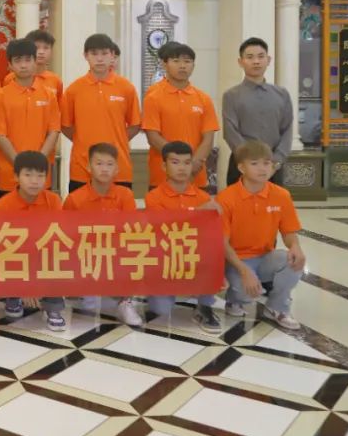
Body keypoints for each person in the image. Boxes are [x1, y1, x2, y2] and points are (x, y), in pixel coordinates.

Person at [219, 140, 305, 330]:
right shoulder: (226, 198)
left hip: (266, 256)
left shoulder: (281, 195)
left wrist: (295, 246)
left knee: (292, 260)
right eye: (255, 163)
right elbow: (222, 243)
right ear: (241, 168)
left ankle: (277, 307)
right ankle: (234, 300)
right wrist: (244, 271)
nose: (262, 168)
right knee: (244, 294)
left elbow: (289, 231)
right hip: (235, 260)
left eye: (267, 163)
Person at [144, 141, 222, 333]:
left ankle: (204, 306)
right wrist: (198, 213)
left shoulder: (203, 197)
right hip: (165, 259)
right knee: (161, 311)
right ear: (164, 166)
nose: (182, 168)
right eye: (175, 162)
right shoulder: (153, 197)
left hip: (192, 255)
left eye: (187, 163)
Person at [63, 142, 142, 326]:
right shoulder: (75, 199)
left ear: (117, 169)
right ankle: (82, 291)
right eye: (99, 163)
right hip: (86, 253)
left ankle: (124, 301)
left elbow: (131, 230)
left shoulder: (125, 195)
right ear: (88, 167)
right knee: (89, 309)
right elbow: (66, 236)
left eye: (109, 164)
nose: (104, 169)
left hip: (115, 251)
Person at [0, 151, 66, 331]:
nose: (34, 181)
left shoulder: (53, 201)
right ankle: (13, 296)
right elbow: (0, 249)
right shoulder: (2, 206)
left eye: (40, 176)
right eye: (28, 175)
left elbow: (56, 241)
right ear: (16, 177)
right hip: (14, 258)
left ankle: (53, 306)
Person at [61, 33, 141, 193]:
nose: (99, 59)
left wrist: (116, 140)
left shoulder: (126, 88)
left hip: (118, 167)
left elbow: (135, 124)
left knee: (120, 209)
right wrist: (83, 140)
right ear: (86, 56)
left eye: (104, 53)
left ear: (112, 55)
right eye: (94, 54)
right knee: (81, 209)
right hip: (82, 168)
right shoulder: (74, 90)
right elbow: (65, 126)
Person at [0, 38, 60, 197]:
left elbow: (54, 131)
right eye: (18, 60)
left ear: (35, 62)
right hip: (9, 174)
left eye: (28, 60)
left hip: (40, 174)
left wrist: (38, 163)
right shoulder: (1, 96)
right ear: (10, 65)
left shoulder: (48, 95)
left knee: (42, 212)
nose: (23, 65)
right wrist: (20, 165)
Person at [142, 42, 218, 190]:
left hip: (196, 177)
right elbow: (153, 137)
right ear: (165, 64)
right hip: (162, 177)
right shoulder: (153, 97)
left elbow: (208, 139)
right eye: (176, 61)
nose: (182, 66)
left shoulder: (203, 99)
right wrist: (179, 163)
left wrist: (193, 164)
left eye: (187, 61)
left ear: (193, 66)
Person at [222, 37, 293, 187]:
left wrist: (275, 163)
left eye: (261, 56)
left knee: (274, 202)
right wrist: (250, 163)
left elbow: (287, 130)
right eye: (250, 57)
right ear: (240, 62)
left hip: (273, 167)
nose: (256, 61)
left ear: (268, 60)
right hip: (241, 166)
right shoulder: (231, 96)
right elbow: (230, 132)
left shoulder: (282, 94)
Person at [22, 29, 64, 100]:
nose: (41, 52)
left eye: (46, 48)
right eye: (36, 47)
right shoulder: (13, 78)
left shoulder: (55, 80)